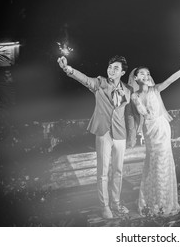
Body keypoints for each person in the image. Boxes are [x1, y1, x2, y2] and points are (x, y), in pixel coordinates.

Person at [57, 55, 134, 219]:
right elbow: (85, 79)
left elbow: (128, 114)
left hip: (120, 134)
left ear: (123, 72)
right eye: (110, 67)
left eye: (115, 68)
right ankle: (104, 206)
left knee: (118, 171)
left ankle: (116, 203)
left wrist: (133, 134)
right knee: (103, 171)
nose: (111, 70)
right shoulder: (100, 83)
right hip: (103, 132)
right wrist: (68, 69)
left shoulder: (128, 89)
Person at [128, 58, 180, 216]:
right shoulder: (135, 96)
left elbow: (170, 80)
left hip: (162, 127)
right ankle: (151, 201)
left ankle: (164, 202)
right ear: (136, 77)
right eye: (142, 73)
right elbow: (142, 113)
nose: (146, 75)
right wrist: (140, 102)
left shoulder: (155, 89)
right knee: (152, 162)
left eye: (148, 73)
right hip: (149, 129)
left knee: (163, 161)